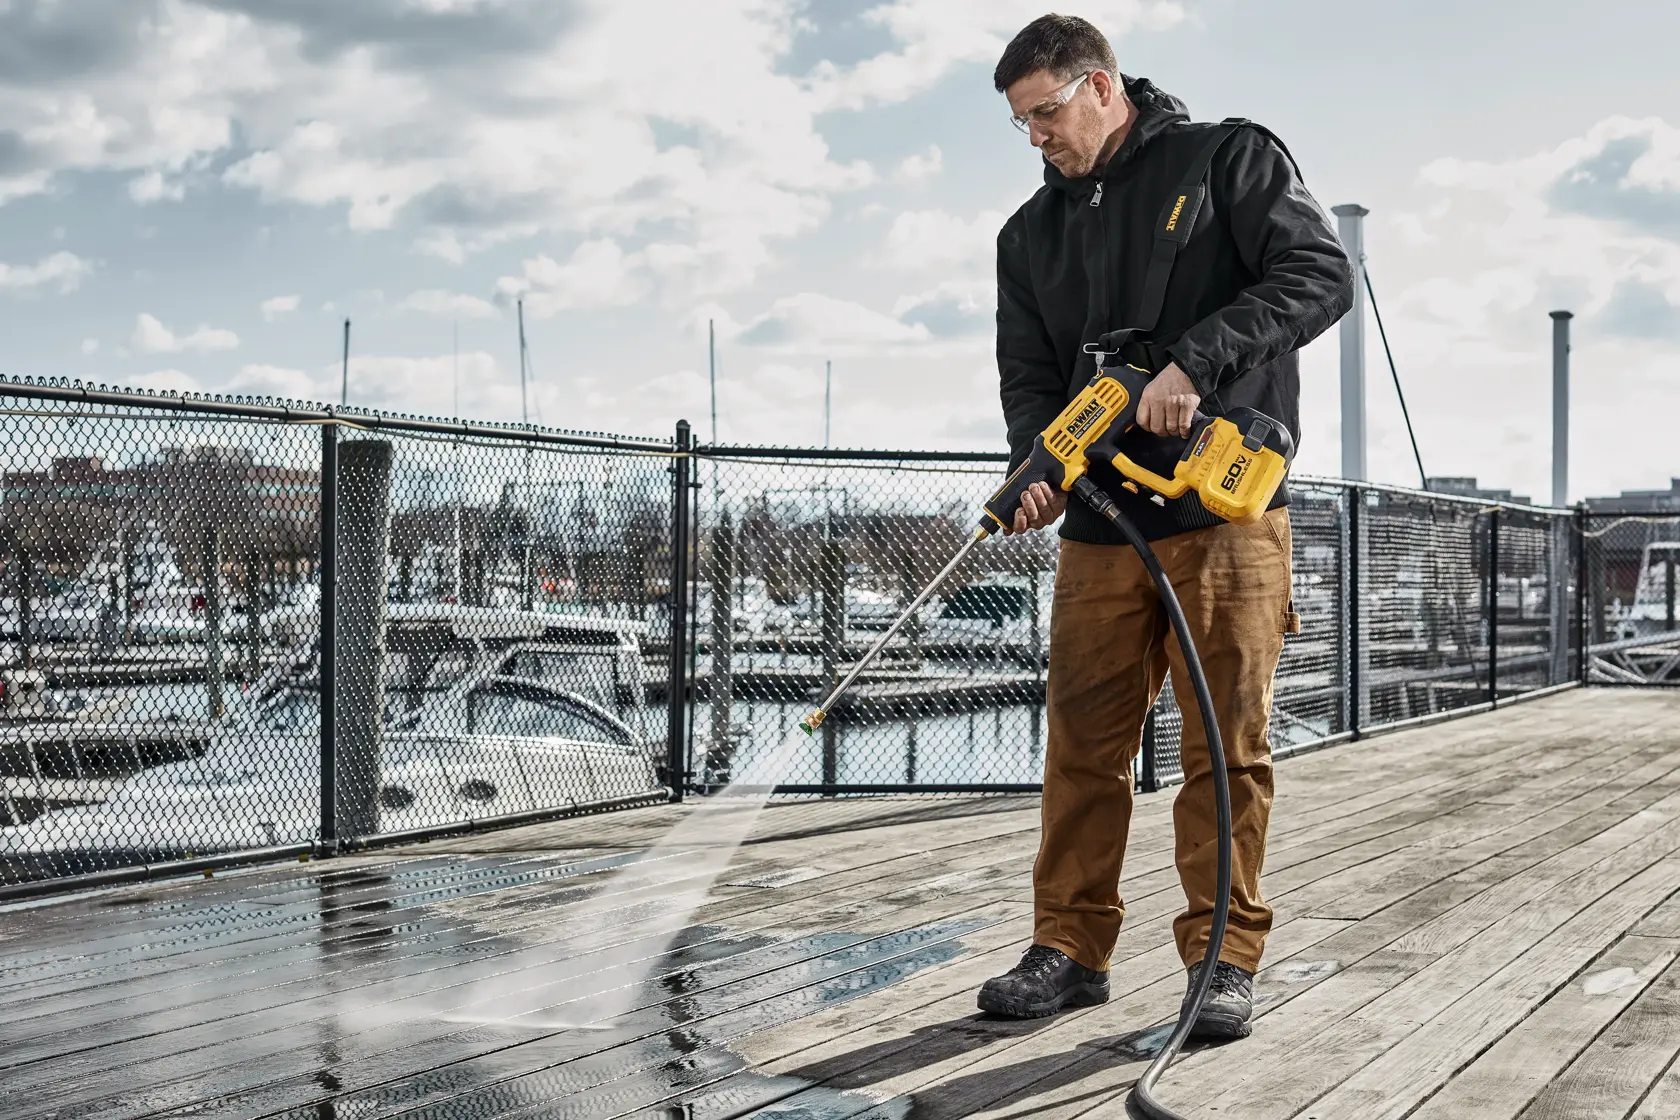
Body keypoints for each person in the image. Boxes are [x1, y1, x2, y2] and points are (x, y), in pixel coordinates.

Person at [976, 14, 1355, 1039]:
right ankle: (1068, 947)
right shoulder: (1029, 236)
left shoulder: (1228, 159)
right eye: (1021, 124)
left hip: (1223, 514)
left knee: (1224, 748)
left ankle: (1223, 960)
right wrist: (1038, 467)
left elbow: (1322, 278)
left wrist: (1195, 362)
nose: (1037, 138)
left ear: (1100, 86)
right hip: (1100, 526)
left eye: (1046, 113)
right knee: (1081, 749)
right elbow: (1031, 382)